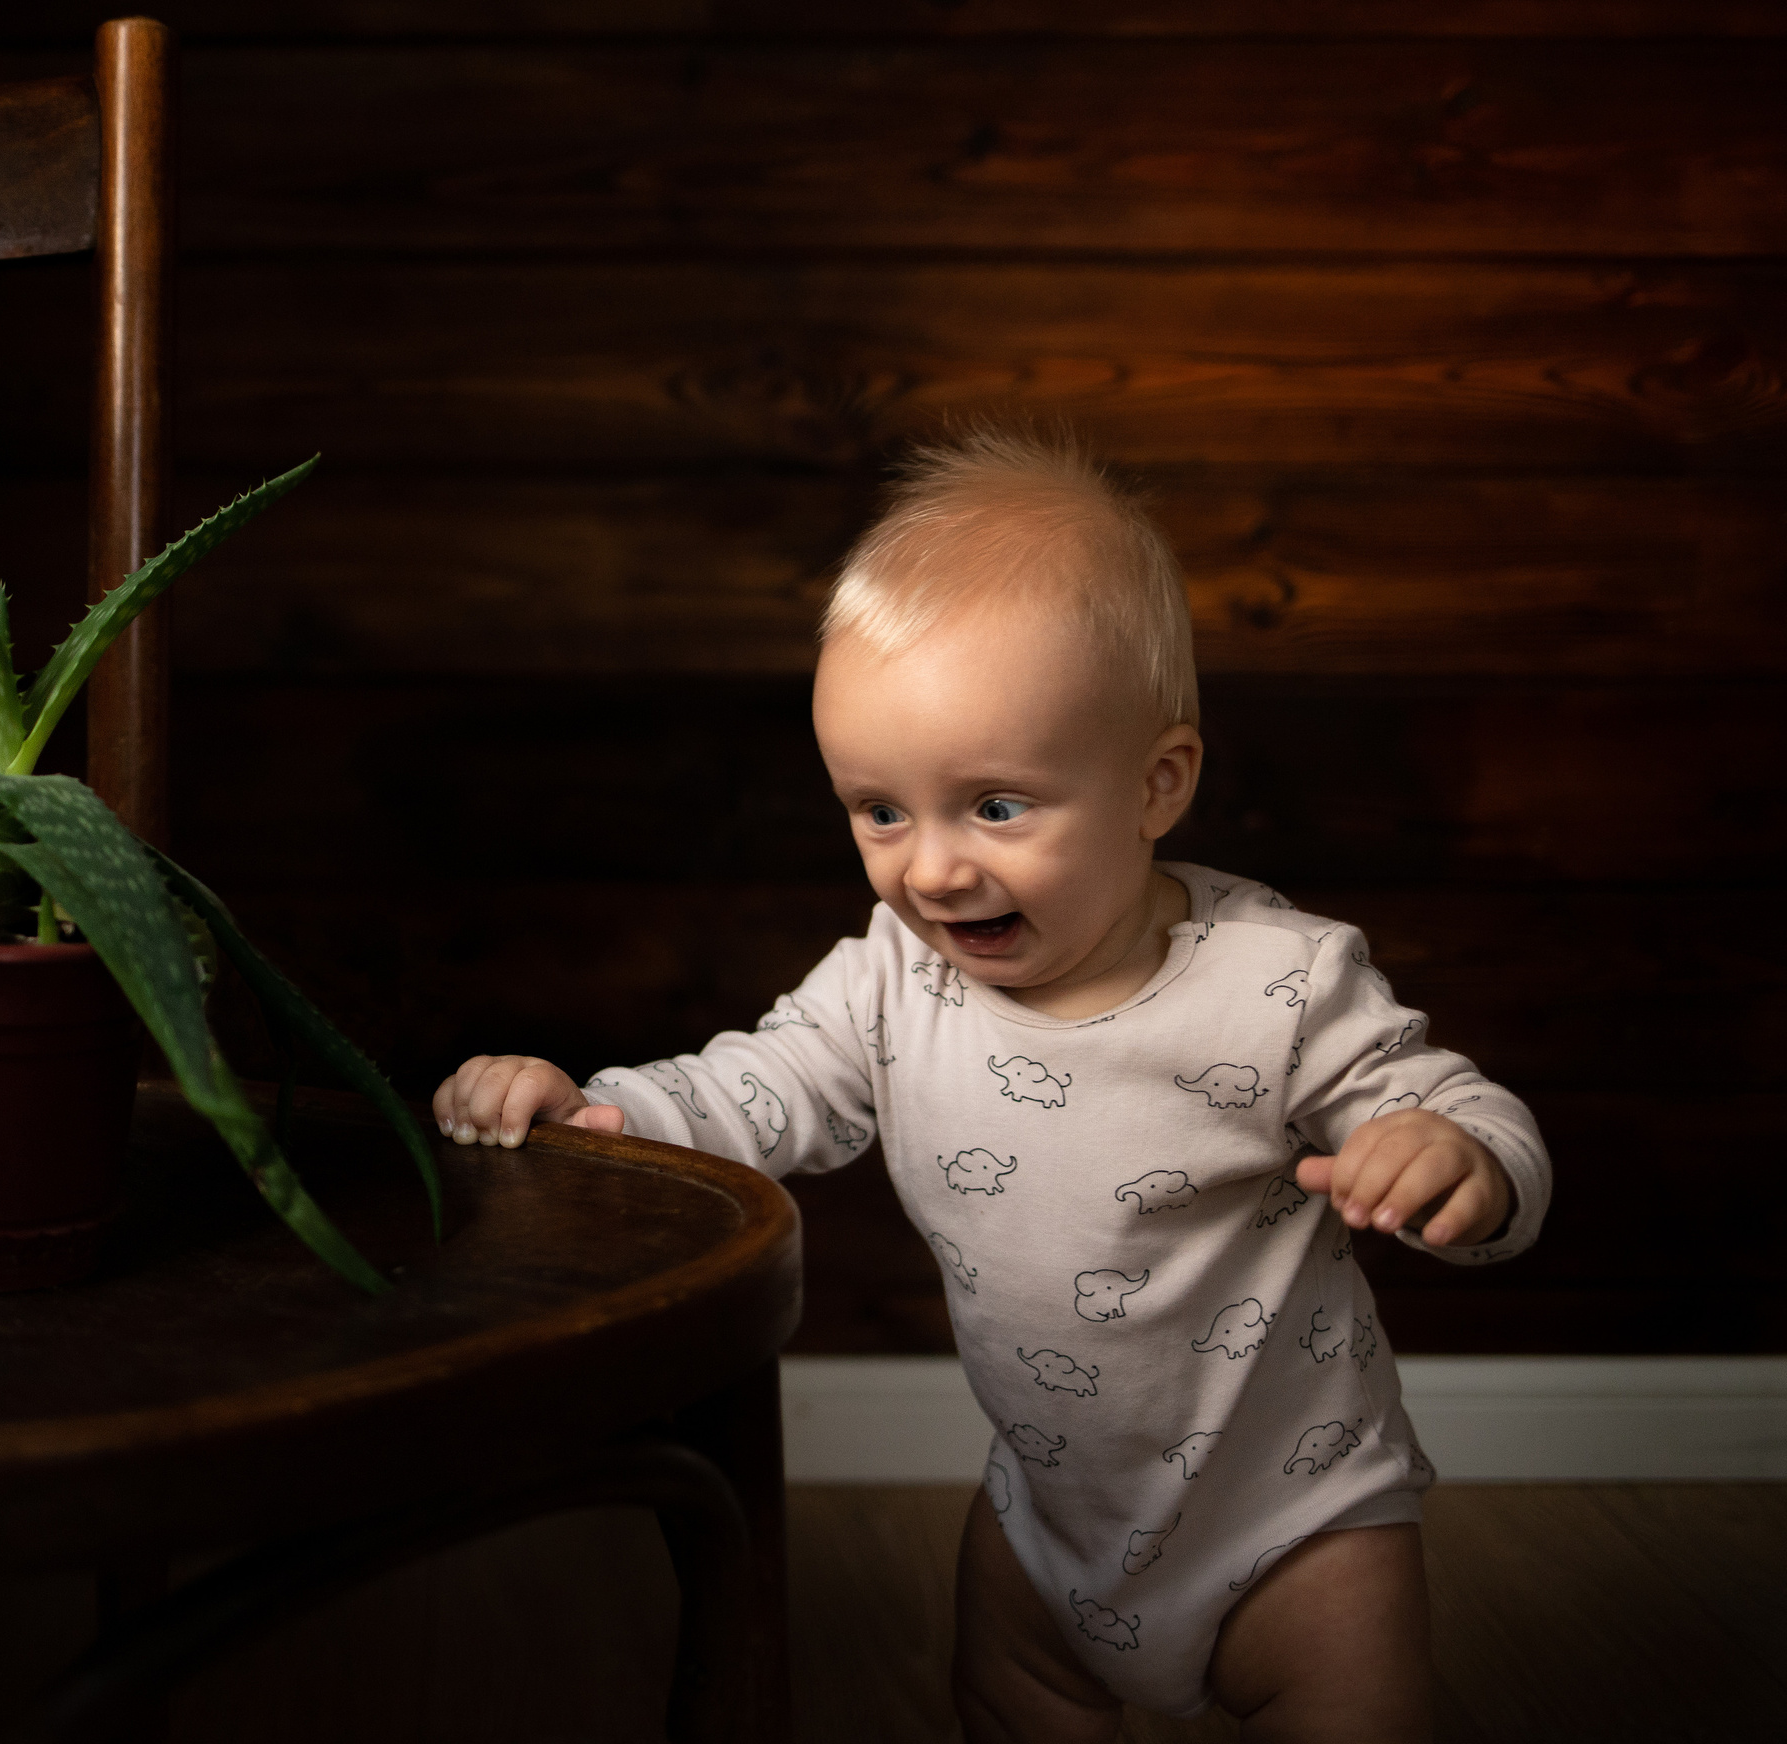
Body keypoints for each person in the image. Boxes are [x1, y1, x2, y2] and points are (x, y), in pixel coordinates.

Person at [430, 429, 1551, 1743]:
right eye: (881, 810)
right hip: (1050, 1522)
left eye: (996, 807)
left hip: (1296, 1517)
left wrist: (1456, 1162)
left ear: (1157, 784)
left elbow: (1471, 1114)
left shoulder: (1277, 985)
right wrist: (595, 1112)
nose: (933, 872)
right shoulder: (891, 983)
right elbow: (760, 1088)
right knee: (1006, 1702)